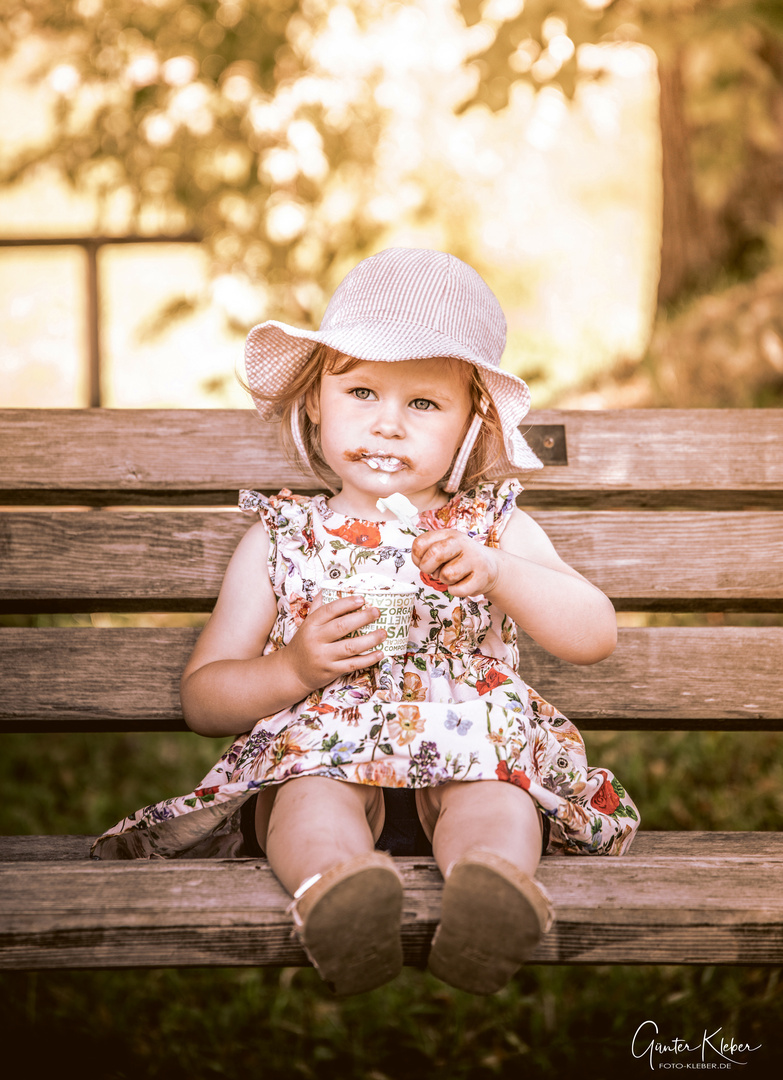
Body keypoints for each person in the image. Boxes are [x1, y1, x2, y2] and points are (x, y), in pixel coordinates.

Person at [92, 248, 639, 996]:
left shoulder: (490, 526)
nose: (387, 425)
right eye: (362, 392)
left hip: (468, 753)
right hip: (325, 757)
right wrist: (292, 670)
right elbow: (203, 700)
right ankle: (339, 894)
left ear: (468, 421)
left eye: (422, 404)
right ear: (316, 400)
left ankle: (492, 896)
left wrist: (503, 574)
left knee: (497, 800)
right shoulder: (282, 539)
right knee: (310, 801)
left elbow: (594, 633)